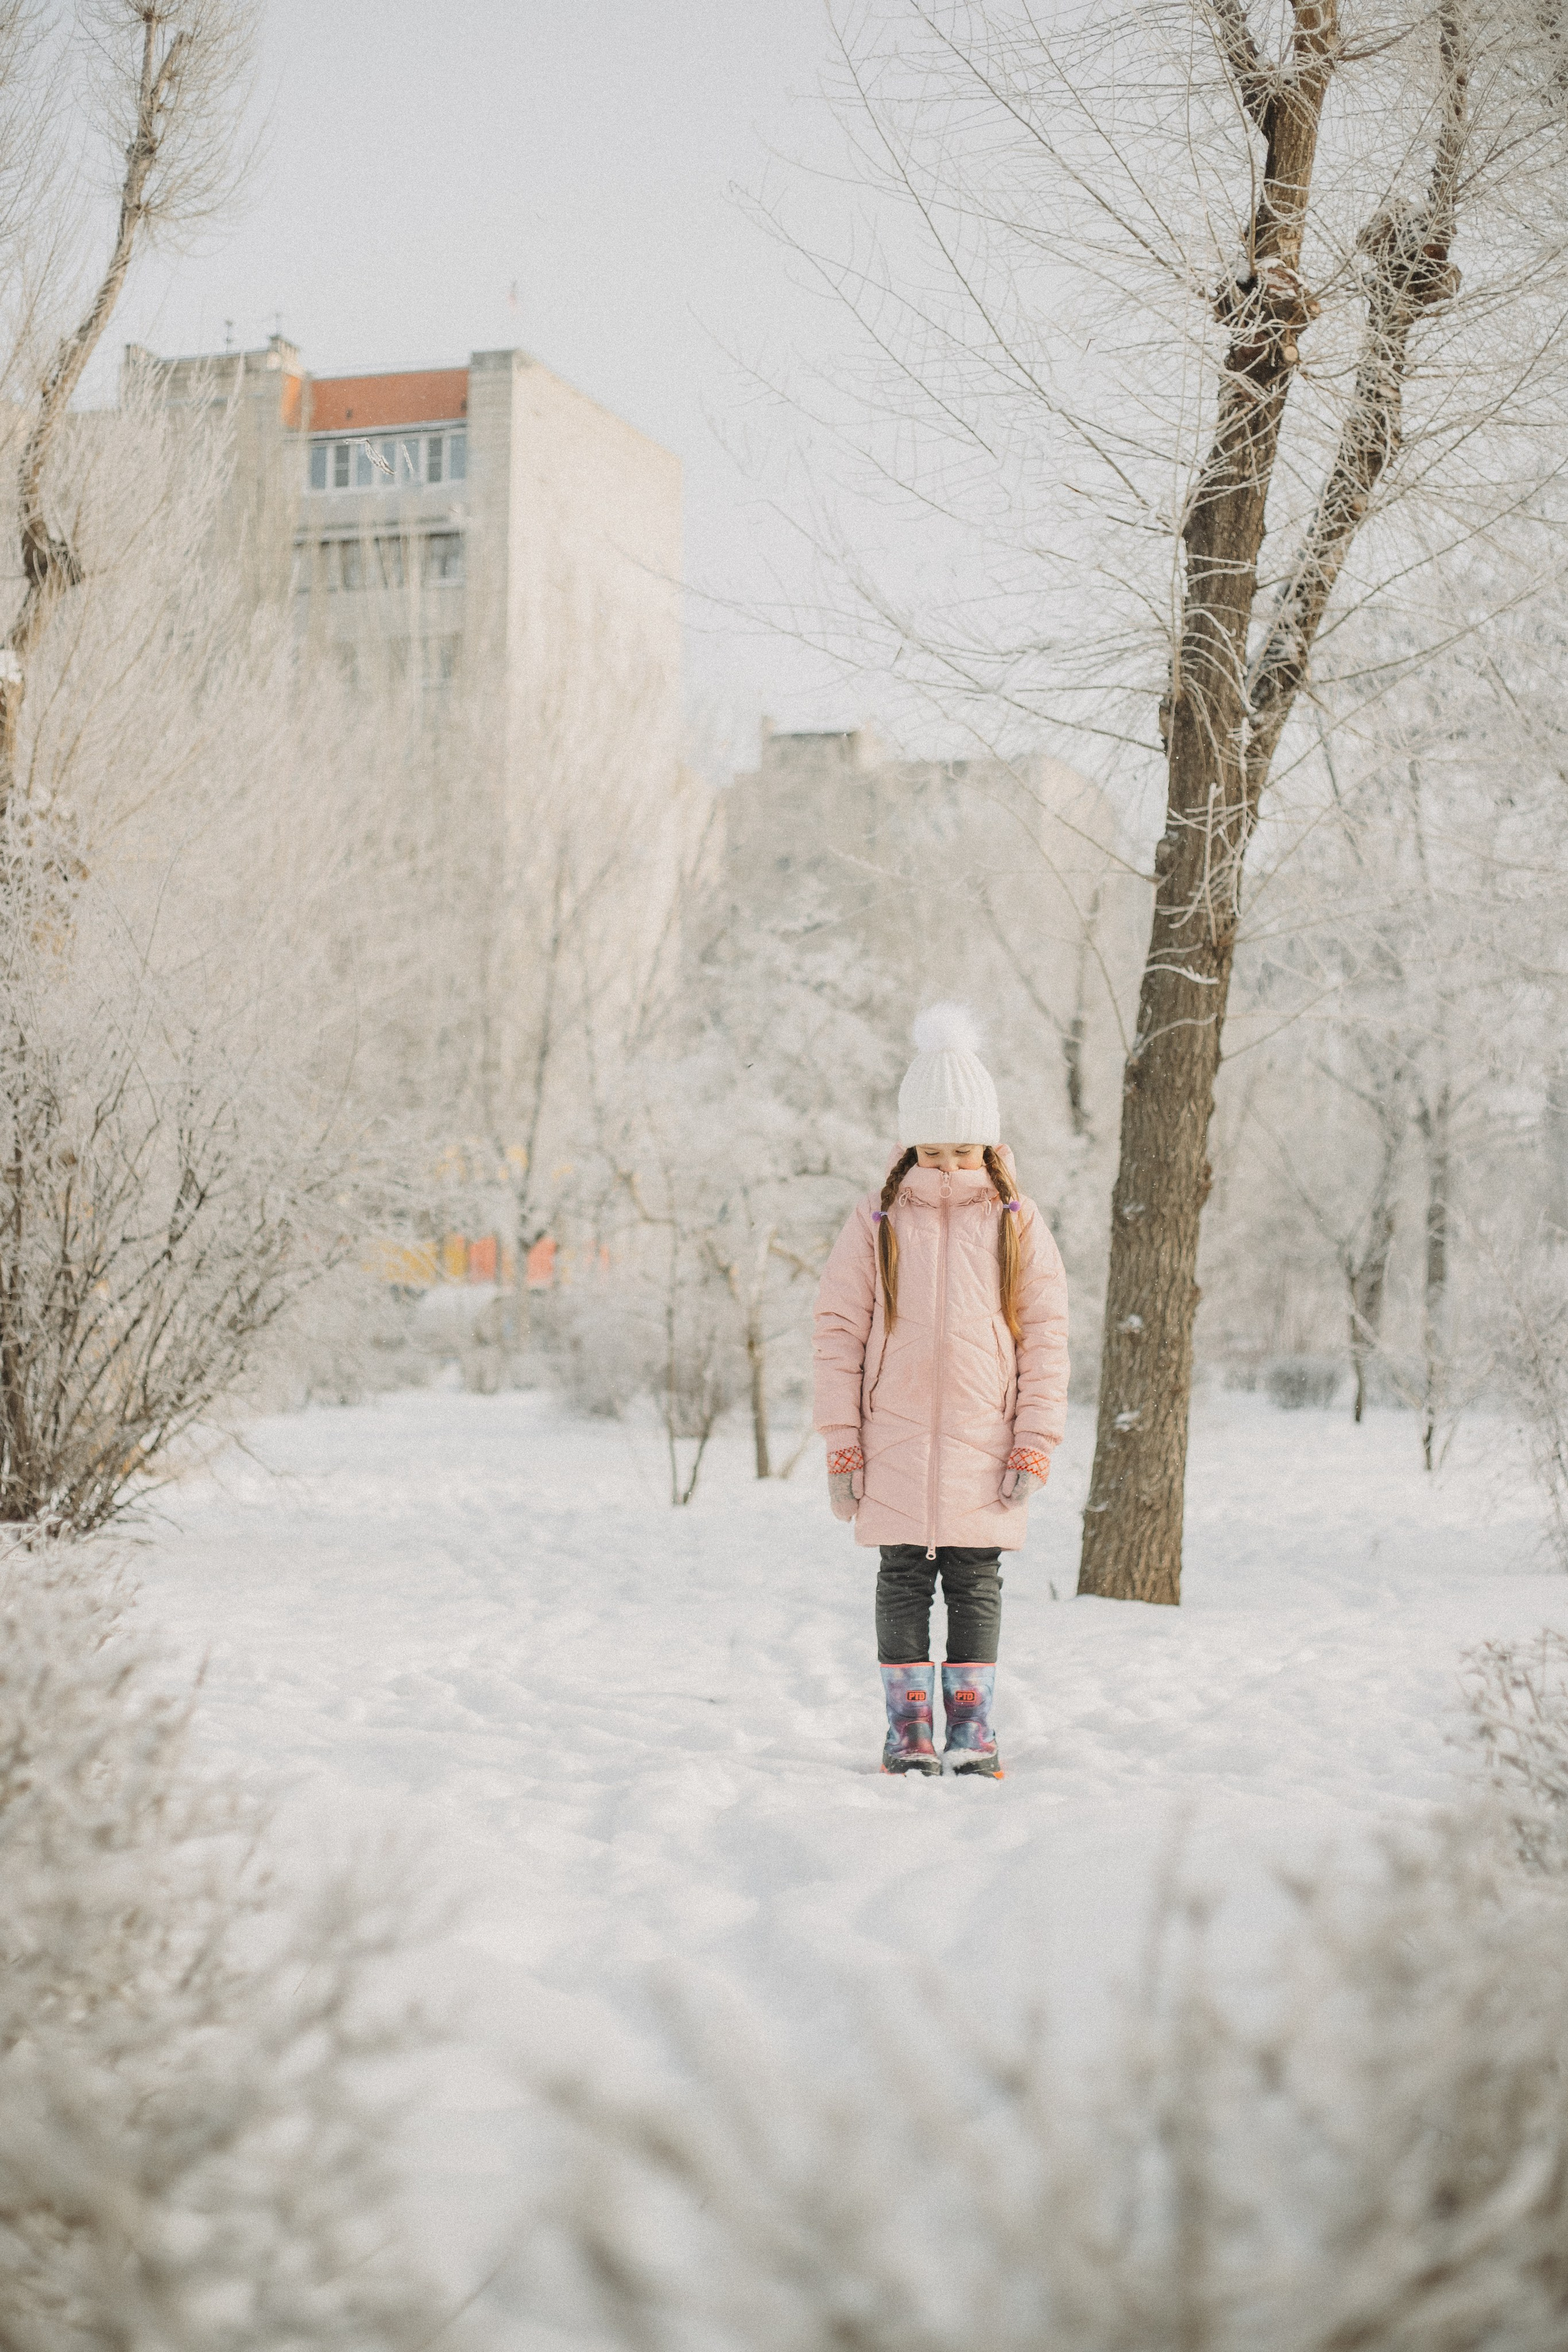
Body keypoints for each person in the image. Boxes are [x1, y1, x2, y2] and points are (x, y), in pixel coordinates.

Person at [812, 1003, 1070, 1777]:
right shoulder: (878, 1220)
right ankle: (908, 1733)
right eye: (933, 1149)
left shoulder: (1017, 1223)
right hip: (889, 1437)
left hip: (985, 1441)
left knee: (975, 1580)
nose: (950, 1164)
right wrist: (842, 1442)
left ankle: (971, 1731)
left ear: (988, 1143)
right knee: (900, 1578)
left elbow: (1046, 1336)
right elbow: (838, 1331)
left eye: (964, 1149)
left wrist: (1034, 1440)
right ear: (909, 1146)